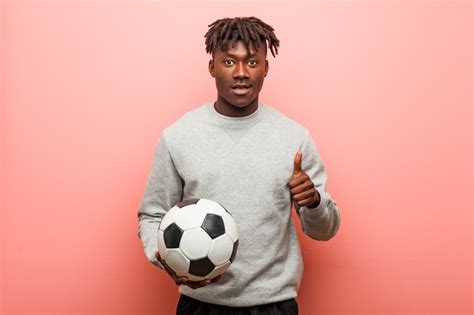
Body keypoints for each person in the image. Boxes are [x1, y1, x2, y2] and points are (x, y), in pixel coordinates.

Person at [137, 16, 341, 315]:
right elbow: (152, 214)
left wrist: (313, 201)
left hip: (274, 304)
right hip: (201, 304)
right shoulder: (178, 136)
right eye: (229, 62)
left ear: (266, 68)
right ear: (212, 67)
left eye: (253, 62)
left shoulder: (294, 137)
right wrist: (166, 256)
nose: (242, 73)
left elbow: (326, 230)